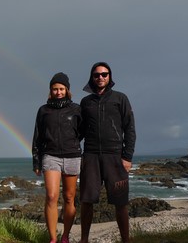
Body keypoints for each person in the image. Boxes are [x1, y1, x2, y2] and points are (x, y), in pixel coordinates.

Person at [79, 62, 136, 243]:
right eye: (97, 75)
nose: (100, 77)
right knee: (87, 201)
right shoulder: (85, 102)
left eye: (104, 74)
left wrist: (127, 157)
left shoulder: (120, 98)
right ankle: (84, 239)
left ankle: (125, 240)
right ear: (92, 77)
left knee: (120, 202)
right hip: (91, 156)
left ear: (110, 76)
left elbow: (130, 128)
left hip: (115, 157)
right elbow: (79, 131)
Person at [32, 72, 82, 243]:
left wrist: (73, 143)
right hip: (50, 156)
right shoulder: (43, 110)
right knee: (52, 196)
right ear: (50, 90)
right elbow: (37, 136)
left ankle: (66, 236)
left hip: (72, 156)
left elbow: (81, 132)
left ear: (67, 90)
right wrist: (36, 161)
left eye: (61, 89)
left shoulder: (76, 109)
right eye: (55, 89)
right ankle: (53, 238)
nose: (58, 92)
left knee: (69, 197)